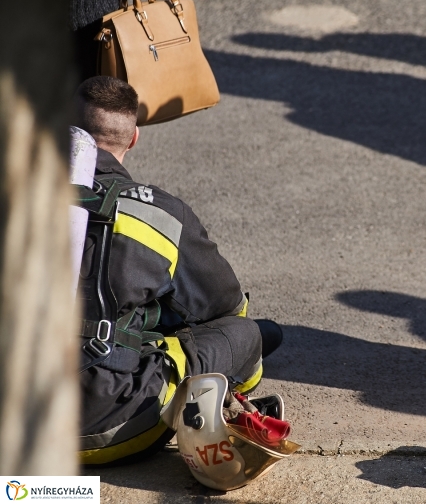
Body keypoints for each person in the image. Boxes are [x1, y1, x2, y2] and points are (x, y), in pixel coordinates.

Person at [74, 76, 283, 465]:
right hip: (110, 426)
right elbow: (225, 307)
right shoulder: (160, 214)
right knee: (245, 333)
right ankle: (233, 395)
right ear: (133, 138)